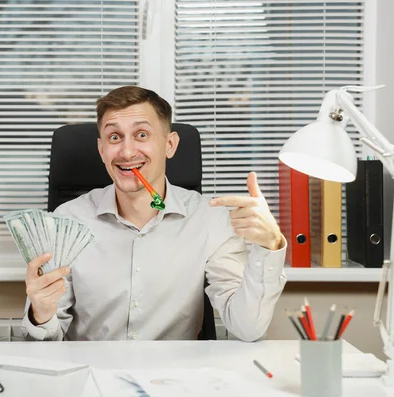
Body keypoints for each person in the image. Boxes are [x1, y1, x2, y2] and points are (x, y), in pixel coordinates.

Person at [21, 86, 287, 342]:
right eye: (115, 137)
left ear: (170, 145)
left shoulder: (210, 219)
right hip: (90, 377)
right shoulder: (67, 220)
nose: (126, 152)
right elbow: (45, 343)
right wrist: (41, 315)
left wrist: (269, 246)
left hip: (173, 381)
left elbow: (248, 328)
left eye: (141, 135)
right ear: (102, 150)